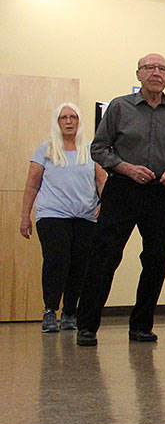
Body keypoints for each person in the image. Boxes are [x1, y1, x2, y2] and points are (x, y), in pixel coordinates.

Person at [76, 54, 165, 348]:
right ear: (139, 74)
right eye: (150, 68)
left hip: (160, 193)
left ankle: (141, 326)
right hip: (123, 189)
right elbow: (99, 148)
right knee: (104, 258)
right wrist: (126, 167)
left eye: (163, 69)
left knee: (158, 259)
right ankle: (87, 326)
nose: (156, 73)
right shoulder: (119, 107)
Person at [20, 103, 107, 333]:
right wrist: (25, 216)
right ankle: (50, 311)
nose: (69, 122)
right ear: (57, 122)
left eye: (73, 117)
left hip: (85, 217)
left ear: (79, 122)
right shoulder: (45, 150)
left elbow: (102, 180)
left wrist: (104, 204)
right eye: (64, 118)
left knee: (80, 265)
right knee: (56, 261)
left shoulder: (90, 151)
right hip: (52, 216)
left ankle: (69, 312)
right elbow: (32, 185)